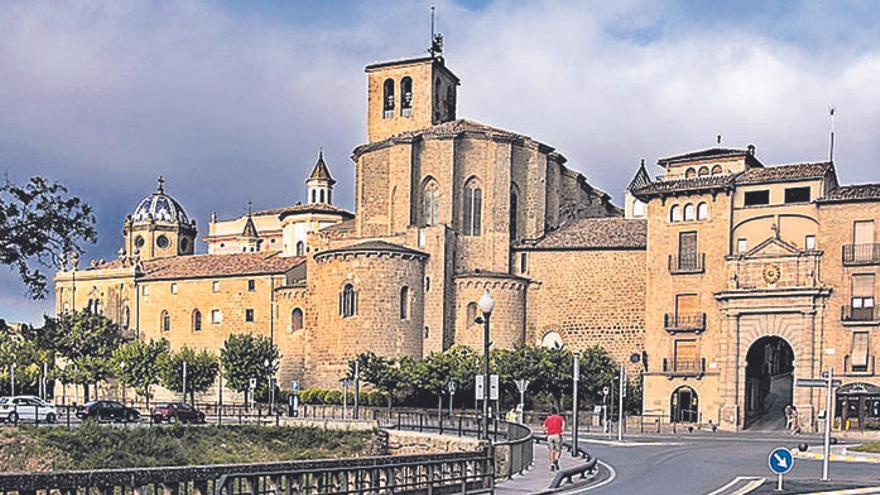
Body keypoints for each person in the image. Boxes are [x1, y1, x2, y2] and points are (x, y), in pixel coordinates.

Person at [544, 406, 565, 471]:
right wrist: (561, 431)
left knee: (551, 450)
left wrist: (546, 432)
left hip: (550, 436)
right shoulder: (560, 418)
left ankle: (552, 464)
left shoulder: (548, 418)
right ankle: (556, 459)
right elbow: (563, 425)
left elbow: (544, 426)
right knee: (558, 450)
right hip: (557, 435)